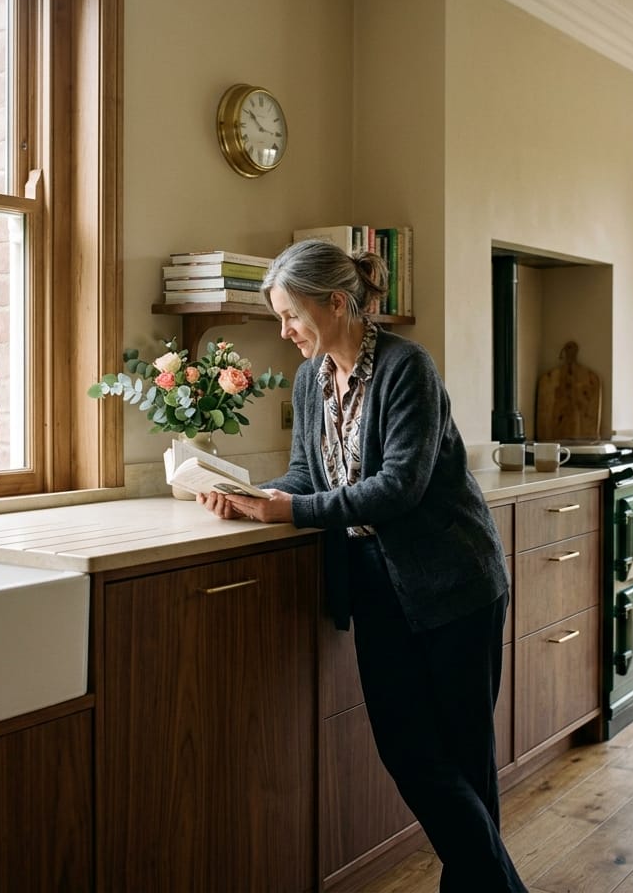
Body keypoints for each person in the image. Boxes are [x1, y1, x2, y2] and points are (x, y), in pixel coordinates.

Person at [197, 238, 528, 892]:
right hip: (377, 585)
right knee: (407, 750)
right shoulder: (309, 379)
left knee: (462, 756)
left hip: (455, 582)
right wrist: (253, 495)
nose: (285, 332)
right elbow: (306, 473)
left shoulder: (408, 369)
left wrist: (284, 513)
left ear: (339, 304)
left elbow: (399, 486)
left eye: (291, 316)